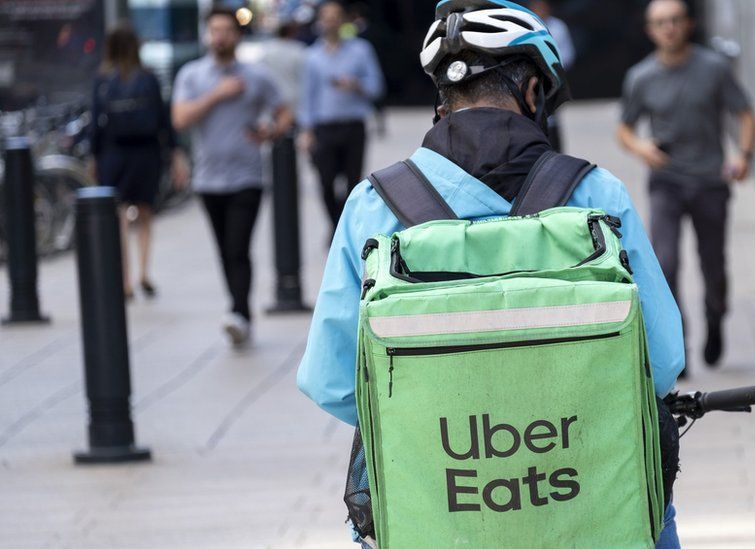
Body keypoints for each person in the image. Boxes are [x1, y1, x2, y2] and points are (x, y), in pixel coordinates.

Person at [297, 1, 685, 546]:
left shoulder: (373, 205)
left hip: (435, 510)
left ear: (442, 100)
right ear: (533, 95)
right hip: (585, 504)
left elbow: (332, 381)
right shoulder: (596, 194)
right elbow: (663, 363)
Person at [617, 0, 755, 371]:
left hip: (710, 181)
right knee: (665, 264)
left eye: (675, 20)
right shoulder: (641, 77)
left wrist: (743, 156)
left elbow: (746, 115)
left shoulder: (713, 69)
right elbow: (624, 129)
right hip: (666, 183)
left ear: (689, 24)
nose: (669, 28)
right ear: (650, 30)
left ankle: (716, 318)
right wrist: (642, 147)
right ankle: (678, 347)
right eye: (660, 22)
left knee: (713, 267)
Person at [171, 7, 292, 347]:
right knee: (225, 250)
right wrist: (216, 95)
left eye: (226, 30)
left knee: (238, 247)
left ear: (237, 35)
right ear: (208, 35)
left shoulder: (257, 76)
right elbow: (180, 119)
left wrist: (270, 131)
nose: (220, 36)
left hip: (246, 178)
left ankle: (238, 312)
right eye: (215, 30)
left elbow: (284, 112)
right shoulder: (192, 75)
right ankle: (240, 311)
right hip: (208, 180)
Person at [90, 25, 189, 300]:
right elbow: (163, 121)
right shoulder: (148, 78)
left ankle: (125, 280)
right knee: (145, 214)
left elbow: (95, 125)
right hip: (145, 153)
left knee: (120, 216)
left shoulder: (102, 80)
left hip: (114, 153)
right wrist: (175, 153)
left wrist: (94, 156)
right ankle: (144, 271)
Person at [297, 1, 384, 235]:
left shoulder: (361, 50)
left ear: (343, 20)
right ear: (319, 22)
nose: (331, 21)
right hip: (324, 128)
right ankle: (336, 226)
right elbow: (307, 95)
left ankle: (346, 230)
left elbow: (376, 87)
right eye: (326, 17)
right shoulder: (312, 56)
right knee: (325, 182)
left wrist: (356, 85)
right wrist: (306, 130)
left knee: (352, 183)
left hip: (353, 125)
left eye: (336, 16)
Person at [528, 0, 575, 151]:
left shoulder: (558, 27)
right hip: (530, 76)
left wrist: (551, 66)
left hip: (552, 76)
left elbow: (568, 54)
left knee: (550, 116)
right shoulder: (527, 25)